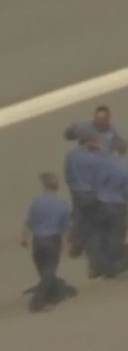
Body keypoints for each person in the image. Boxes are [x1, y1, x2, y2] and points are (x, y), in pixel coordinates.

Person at [21, 172, 74, 311]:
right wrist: (66, 246)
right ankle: (38, 302)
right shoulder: (62, 205)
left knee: (43, 271)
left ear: (44, 187)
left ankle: (50, 294)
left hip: (37, 241)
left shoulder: (37, 201)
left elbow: (28, 222)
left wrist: (24, 237)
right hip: (52, 241)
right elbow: (66, 229)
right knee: (49, 272)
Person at [62, 132, 104, 260]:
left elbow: (68, 175)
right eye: (95, 142)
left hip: (77, 192)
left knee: (78, 218)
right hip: (92, 194)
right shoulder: (94, 157)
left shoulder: (71, 156)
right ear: (89, 142)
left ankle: (75, 247)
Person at [94, 154, 128, 278]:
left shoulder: (108, 165)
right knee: (116, 237)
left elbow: (98, 183)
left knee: (103, 235)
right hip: (118, 206)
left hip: (103, 204)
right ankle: (112, 267)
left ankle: (101, 266)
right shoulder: (124, 170)